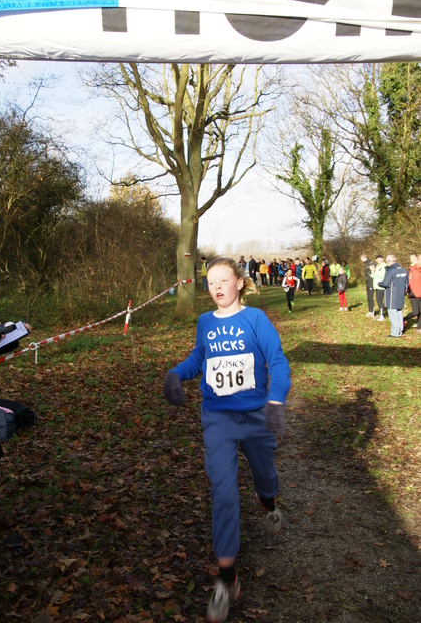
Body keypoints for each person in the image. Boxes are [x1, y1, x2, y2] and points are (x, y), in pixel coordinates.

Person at [163, 257, 290, 623]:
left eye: (223, 280)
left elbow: (278, 362)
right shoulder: (205, 322)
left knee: (264, 473)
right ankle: (227, 578)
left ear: (239, 283)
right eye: (210, 282)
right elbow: (199, 358)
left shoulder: (255, 319)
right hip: (217, 416)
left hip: (256, 415)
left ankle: (267, 502)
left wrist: (277, 399)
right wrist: (176, 374)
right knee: (223, 490)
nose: (216, 287)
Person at [378, 255, 409, 338]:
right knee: (399, 312)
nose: (387, 263)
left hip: (392, 295)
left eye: (387, 261)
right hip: (400, 295)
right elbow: (407, 284)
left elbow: (385, 283)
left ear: (390, 261)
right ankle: (400, 330)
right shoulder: (403, 270)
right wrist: (404, 293)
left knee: (392, 313)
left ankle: (395, 332)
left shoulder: (391, 271)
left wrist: (379, 283)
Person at [403, 253, 421, 334]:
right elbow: (406, 280)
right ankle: (404, 319)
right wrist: (409, 291)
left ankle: (419, 328)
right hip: (413, 294)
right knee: (416, 312)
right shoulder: (411, 269)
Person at [371, 254, 387, 321]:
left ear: (383, 259)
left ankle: (381, 315)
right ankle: (381, 314)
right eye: (377, 259)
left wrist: (375, 271)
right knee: (378, 300)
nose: (379, 260)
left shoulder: (384, 266)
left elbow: (381, 275)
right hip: (377, 286)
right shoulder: (377, 266)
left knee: (380, 301)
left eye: (380, 259)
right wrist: (372, 271)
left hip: (381, 286)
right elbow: (373, 276)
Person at [360, 253, 376, 318]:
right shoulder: (366, 263)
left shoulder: (371, 262)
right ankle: (370, 311)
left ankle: (372, 311)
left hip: (371, 281)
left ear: (364, 257)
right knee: (368, 296)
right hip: (367, 281)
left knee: (371, 296)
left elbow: (374, 270)